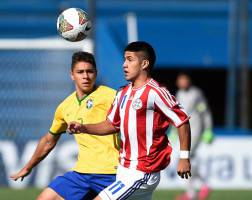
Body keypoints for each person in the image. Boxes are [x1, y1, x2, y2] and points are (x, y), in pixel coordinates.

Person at [68, 41, 192, 200]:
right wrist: (83, 128)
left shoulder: (156, 93)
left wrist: (184, 157)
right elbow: (112, 124)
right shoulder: (122, 93)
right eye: (124, 60)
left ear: (144, 64)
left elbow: (182, 120)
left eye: (130, 59)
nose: (124, 65)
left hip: (143, 171)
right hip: (124, 169)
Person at [10, 51, 119, 200]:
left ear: (96, 73)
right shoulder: (65, 106)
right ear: (72, 75)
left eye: (90, 71)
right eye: (80, 72)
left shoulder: (111, 96)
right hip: (81, 174)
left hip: (112, 173)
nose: (85, 76)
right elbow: (49, 141)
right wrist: (28, 167)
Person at [172, 72, 214, 200]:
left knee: (183, 158)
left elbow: (204, 112)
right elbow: (178, 114)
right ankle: (203, 185)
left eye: (184, 79)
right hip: (183, 131)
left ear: (189, 81)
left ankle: (192, 193)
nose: (182, 82)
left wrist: (208, 129)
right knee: (187, 160)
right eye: (180, 80)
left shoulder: (196, 93)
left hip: (195, 130)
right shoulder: (178, 94)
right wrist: (173, 131)